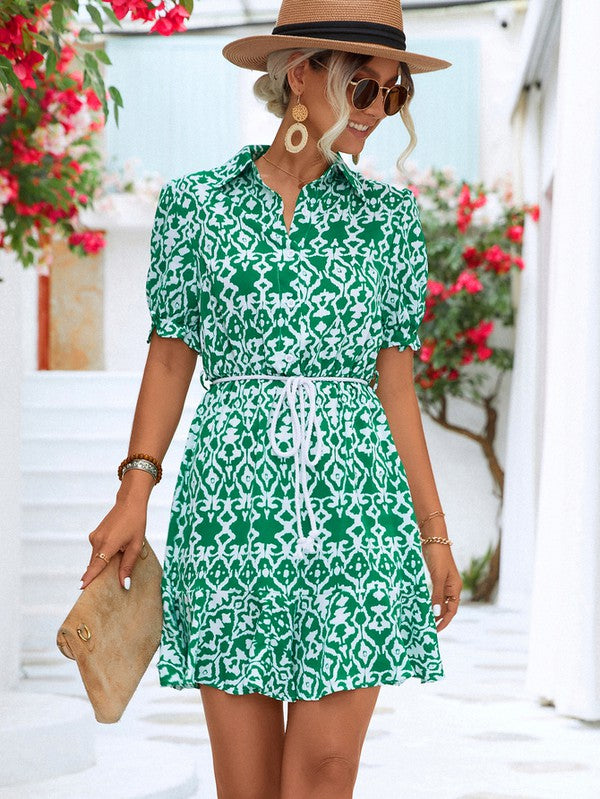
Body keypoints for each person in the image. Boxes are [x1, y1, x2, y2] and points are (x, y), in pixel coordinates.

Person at [80, 0, 463, 796]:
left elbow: (397, 386)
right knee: (247, 784)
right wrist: (134, 488)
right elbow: (169, 357)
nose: (379, 111)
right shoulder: (199, 206)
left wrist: (433, 533)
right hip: (229, 517)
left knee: (324, 772)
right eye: (365, 88)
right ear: (301, 77)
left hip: (360, 517)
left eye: (393, 94)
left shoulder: (387, 221)